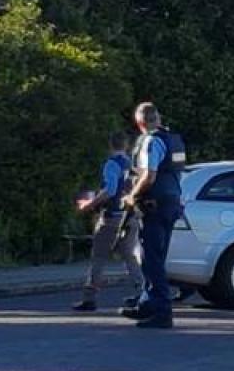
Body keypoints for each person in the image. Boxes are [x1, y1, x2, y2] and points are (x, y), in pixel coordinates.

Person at [120, 102, 186, 329]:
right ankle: (147, 304)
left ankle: (162, 312)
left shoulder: (151, 141)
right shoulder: (172, 139)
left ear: (139, 123)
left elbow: (149, 176)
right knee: (154, 257)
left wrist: (131, 196)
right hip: (171, 204)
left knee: (152, 261)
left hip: (154, 206)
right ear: (157, 118)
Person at [72, 131, 144, 312]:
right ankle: (143, 292)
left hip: (112, 216)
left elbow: (110, 190)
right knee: (130, 256)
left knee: (99, 257)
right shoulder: (132, 165)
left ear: (111, 145)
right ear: (126, 146)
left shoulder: (112, 164)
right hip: (130, 215)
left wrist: (90, 204)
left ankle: (90, 297)